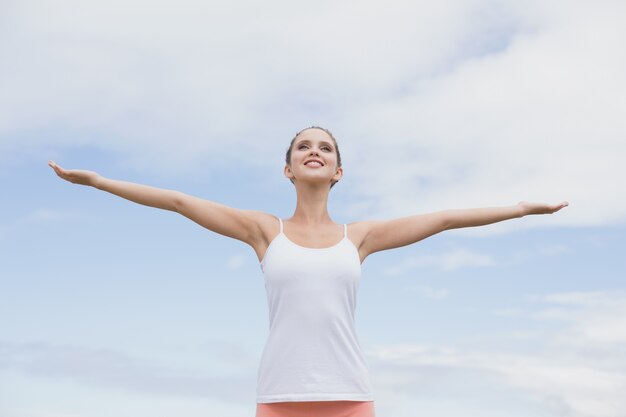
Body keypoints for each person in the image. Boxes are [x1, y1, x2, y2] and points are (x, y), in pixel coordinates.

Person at [48, 126, 569, 417]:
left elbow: (447, 218)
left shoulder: (359, 237)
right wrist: (97, 181)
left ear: (337, 171)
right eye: (304, 146)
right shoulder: (262, 230)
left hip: (350, 395)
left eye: (325, 147)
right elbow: (181, 201)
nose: (314, 151)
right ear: (289, 169)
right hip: (279, 396)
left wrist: (521, 209)